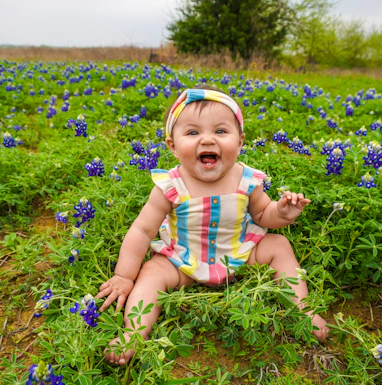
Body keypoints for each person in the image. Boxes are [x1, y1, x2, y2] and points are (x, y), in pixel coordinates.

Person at [95, 86, 329, 365]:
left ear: (240, 141)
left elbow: (263, 215)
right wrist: (124, 275)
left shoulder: (247, 179)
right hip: (184, 259)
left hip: (239, 252)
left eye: (220, 131)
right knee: (151, 272)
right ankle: (134, 332)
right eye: (192, 133)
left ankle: (302, 309)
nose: (207, 139)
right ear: (172, 145)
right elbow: (142, 230)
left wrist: (281, 211)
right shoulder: (170, 186)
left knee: (279, 244)